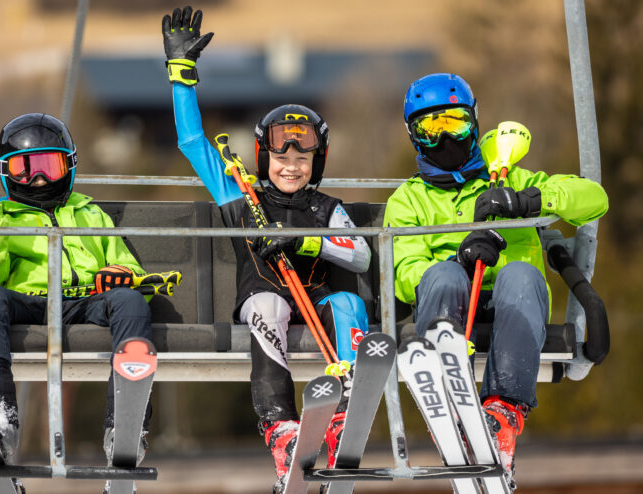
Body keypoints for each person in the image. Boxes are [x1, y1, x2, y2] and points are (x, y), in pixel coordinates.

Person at [162, 6, 372, 487]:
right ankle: (281, 427)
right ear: (264, 157)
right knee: (264, 303)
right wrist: (182, 76)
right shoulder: (242, 197)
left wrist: (306, 242)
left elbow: (359, 254)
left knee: (346, 300)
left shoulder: (326, 208)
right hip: (267, 303)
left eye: (303, 158)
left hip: (315, 304)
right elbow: (192, 141)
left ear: (316, 164)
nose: (292, 166)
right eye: (281, 157)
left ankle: (345, 408)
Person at [385, 73, 609, 487]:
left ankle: (501, 414)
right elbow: (403, 275)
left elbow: (595, 200)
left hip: (514, 305)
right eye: (430, 129)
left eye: (454, 122)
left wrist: (530, 202)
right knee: (444, 275)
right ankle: (451, 402)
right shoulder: (408, 200)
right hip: (451, 304)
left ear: (475, 120)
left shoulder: (508, 178)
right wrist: (461, 259)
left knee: (521, 274)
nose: (444, 138)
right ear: (413, 136)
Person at [0, 113, 154, 471]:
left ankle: (124, 422)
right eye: (24, 168)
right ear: (5, 172)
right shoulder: (0, 216)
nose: (38, 178)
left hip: (86, 300)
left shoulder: (89, 214)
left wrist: (123, 276)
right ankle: (0, 418)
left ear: (69, 166)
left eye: (50, 166)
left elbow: (131, 271)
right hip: (28, 301)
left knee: (131, 300)